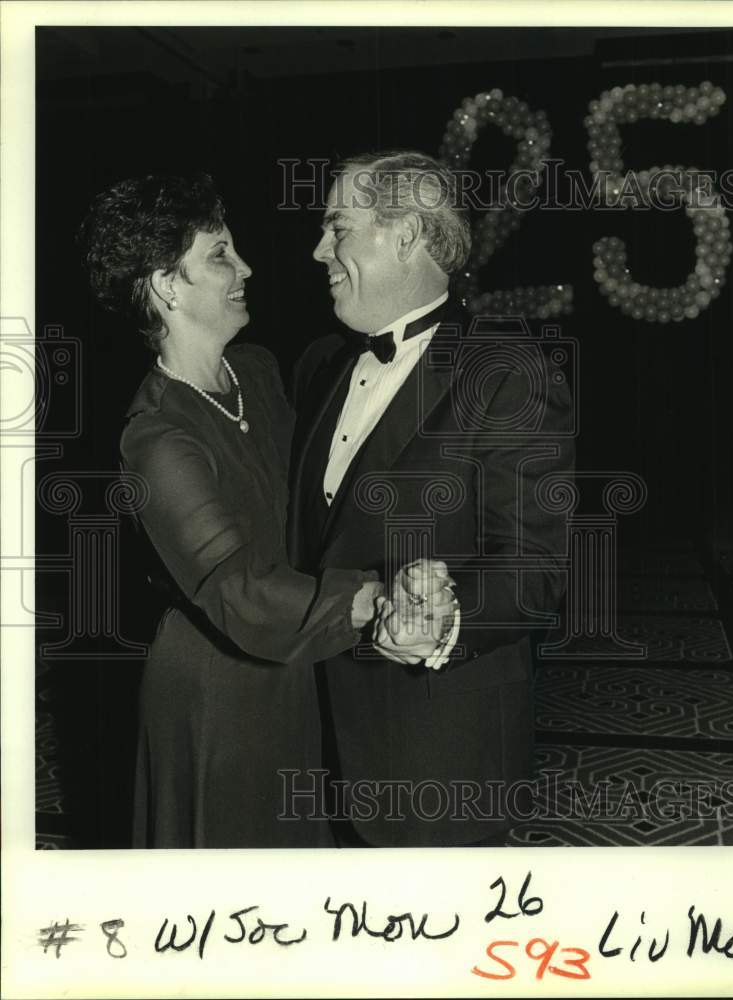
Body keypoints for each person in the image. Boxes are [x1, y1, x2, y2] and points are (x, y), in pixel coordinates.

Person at [78, 172, 454, 849]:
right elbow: (234, 586)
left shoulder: (256, 371)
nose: (245, 267)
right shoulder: (157, 437)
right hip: (221, 689)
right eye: (219, 254)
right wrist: (375, 602)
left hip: (300, 663)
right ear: (167, 286)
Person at [289, 151, 575, 847]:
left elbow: (538, 569)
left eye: (338, 228)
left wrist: (444, 624)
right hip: (309, 742)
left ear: (406, 235)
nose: (318, 248)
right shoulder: (320, 363)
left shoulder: (506, 373)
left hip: (434, 756)